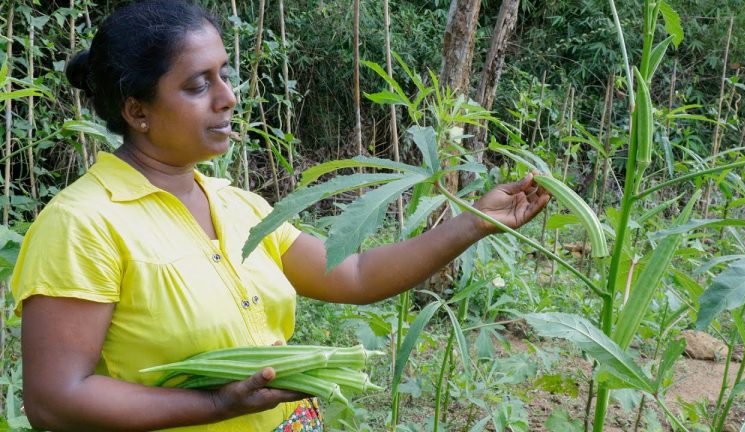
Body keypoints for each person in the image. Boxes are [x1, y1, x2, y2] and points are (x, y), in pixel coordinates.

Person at [10, 1, 550, 431]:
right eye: (199, 85)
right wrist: (217, 405)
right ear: (137, 111)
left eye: (226, 74)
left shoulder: (237, 204)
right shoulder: (83, 224)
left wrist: (474, 221)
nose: (228, 97)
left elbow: (355, 273)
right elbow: (58, 400)